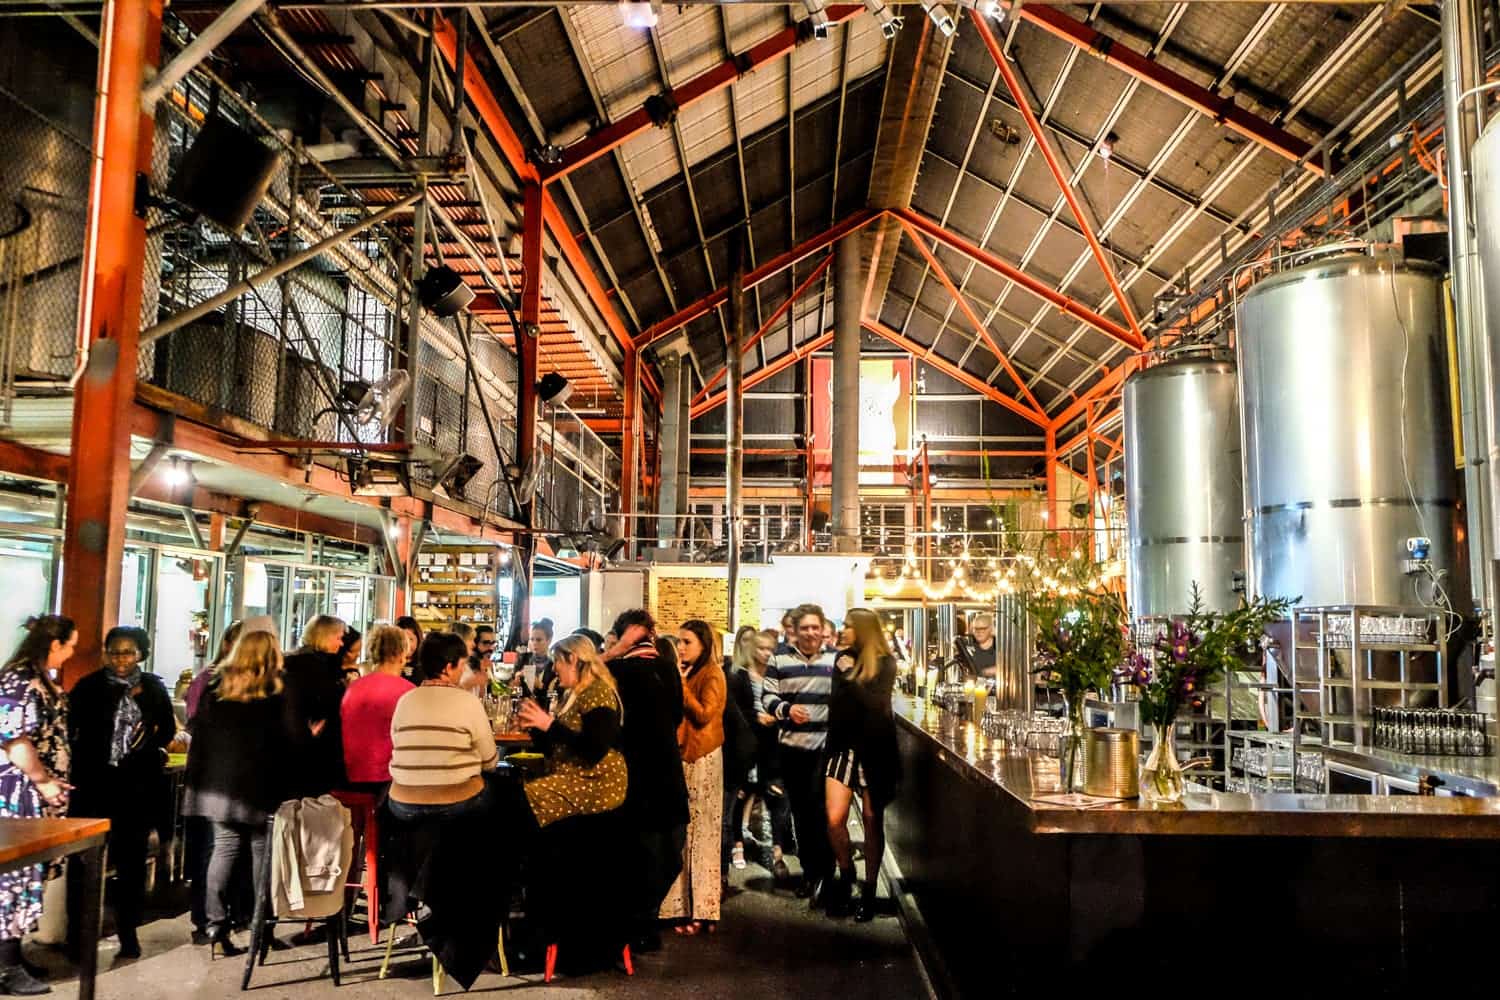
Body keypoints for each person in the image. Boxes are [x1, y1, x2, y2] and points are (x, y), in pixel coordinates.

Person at [183, 630, 295, 958]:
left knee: (224, 850)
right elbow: (287, 741)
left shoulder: (216, 689)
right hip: (259, 788)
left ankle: (216, 926)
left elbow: (199, 736)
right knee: (262, 857)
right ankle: (262, 928)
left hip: (217, 788)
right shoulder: (274, 691)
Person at [66, 626, 174, 960]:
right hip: (93, 787)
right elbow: (73, 732)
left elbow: (167, 730)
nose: (120, 659)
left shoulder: (154, 688)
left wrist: (151, 743)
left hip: (136, 789)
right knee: (83, 864)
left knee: (131, 865)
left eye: (128, 652)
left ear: (141, 653)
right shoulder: (88, 687)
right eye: (114, 652)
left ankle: (128, 933)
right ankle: (77, 937)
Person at [602, 610, 688, 954]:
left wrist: (617, 649)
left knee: (656, 854)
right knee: (659, 854)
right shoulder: (621, 670)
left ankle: (641, 921)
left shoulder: (656, 668)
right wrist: (619, 649)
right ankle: (641, 923)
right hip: (655, 772)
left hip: (646, 773)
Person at [0, 615, 75, 995]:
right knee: (12, 881)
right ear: (54, 644)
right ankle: (7, 966)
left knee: (28, 877)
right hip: (17, 795)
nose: (72, 652)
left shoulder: (38, 678)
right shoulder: (20, 680)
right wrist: (44, 782)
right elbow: (15, 739)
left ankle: (12, 954)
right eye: (70, 645)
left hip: (32, 793)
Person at [823, 608, 900, 921]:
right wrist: (848, 678)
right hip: (843, 746)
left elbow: (875, 706)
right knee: (834, 819)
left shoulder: (886, 663)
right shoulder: (841, 658)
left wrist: (850, 677)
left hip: (876, 748)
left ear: (865, 630)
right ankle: (846, 874)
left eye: (849, 626)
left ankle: (868, 891)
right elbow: (838, 707)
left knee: (871, 819)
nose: (844, 631)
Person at [763, 604, 835, 905]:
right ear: (796, 630)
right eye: (804, 627)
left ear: (822, 630)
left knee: (826, 815)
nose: (810, 633)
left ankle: (827, 874)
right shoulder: (778, 658)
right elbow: (767, 696)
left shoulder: (836, 659)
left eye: (814, 627)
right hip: (793, 749)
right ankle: (810, 872)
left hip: (827, 750)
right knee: (803, 815)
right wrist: (786, 710)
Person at [516, 634, 627, 828]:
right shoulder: (572, 693)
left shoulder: (598, 692)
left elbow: (593, 749)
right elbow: (555, 745)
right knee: (513, 793)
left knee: (522, 802)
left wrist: (549, 725)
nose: (553, 668)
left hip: (596, 782)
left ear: (573, 659)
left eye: (557, 661)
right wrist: (534, 727)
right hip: (572, 775)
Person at [387, 633, 498, 822]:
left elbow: (396, 744)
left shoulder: (404, 700)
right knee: (497, 794)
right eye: (462, 666)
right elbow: (491, 762)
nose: (463, 672)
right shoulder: (468, 701)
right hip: (457, 801)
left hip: (402, 801)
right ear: (448, 668)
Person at [661, 620, 726, 934]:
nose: (681, 647)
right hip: (687, 755)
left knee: (702, 836)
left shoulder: (712, 674)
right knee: (686, 835)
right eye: (679, 642)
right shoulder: (690, 672)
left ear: (703, 644)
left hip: (703, 757)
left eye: (687, 642)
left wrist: (682, 685)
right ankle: (684, 908)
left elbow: (703, 714)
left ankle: (702, 909)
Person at [726, 628, 793, 879]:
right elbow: (735, 711)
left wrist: (776, 716)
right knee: (741, 793)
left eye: (770, 649)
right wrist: (757, 718)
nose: (766, 653)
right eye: (761, 648)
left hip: (772, 744)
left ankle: (777, 854)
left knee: (776, 795)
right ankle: (738, 846)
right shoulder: (738, 675)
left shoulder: (777, 676)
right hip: (745, 743)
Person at [340, 624, 414, 793]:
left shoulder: (353, 687)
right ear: (402, 652)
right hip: (389, 778)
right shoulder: (407, 691)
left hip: (350, 775)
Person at [281, 615, 347, 799]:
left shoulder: (290, 663)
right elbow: (329, 706)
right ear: (325, 637)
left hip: (291, 750)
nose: (341, 644)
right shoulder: (323, 669)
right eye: (338, 637)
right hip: (318, 751)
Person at [521, 620, 557, 706]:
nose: (534, 643)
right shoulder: (524, 659)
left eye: (539, 640)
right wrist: (515, 682)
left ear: (549, 640)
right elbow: (516, 691)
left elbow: (554, 699)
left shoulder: (555, 665)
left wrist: (540, 686)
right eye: (532, 639)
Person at [960, 613, 997, 679]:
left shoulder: (1001, 648)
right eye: (976, 629)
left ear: (991, 628)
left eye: (982, 628)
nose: (978, 632)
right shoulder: (968, 649)